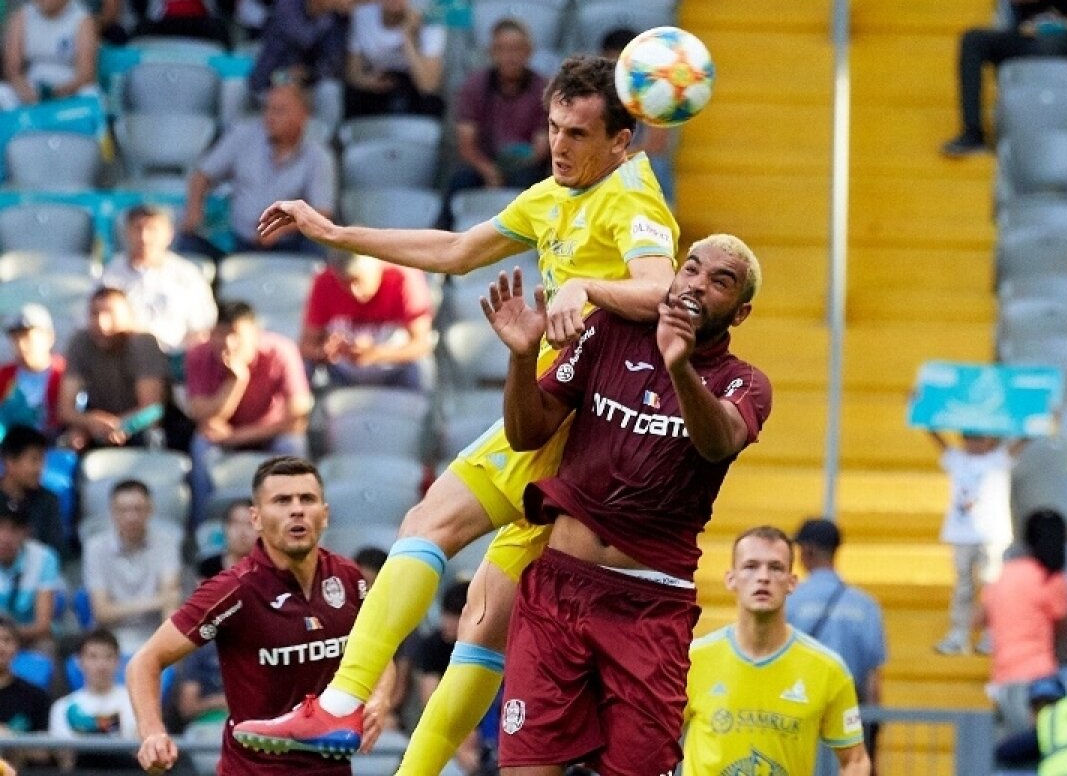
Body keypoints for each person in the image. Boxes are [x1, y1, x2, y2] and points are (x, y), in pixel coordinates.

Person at [234, 53, 680, 772]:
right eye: (555, 128)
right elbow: (457, 249)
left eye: (579, 134)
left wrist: (589, 288)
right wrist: (339, 234)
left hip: (573, 417)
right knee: (485, 621)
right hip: (591, 444)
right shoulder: (554, 196)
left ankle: (342, 703)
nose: (559, 146)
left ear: (622, 141)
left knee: (425, 526)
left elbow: (662, 286)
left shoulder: (632, 197)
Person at [239, 236, 768, 773]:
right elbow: (527, 431)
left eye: (719, 281)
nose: (697, 285)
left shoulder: (746, 382)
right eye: (692, 270)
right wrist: (521, 357)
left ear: (740, 311)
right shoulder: (608, 333)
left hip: (649, 607)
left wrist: (679, 366)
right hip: (559, 589)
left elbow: (718, 440)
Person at [127, 456, 394, 774]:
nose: (296, 510)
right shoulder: (234, 589)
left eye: (307, 499)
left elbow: (379, 653)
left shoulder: (349, 578)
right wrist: (152, 732)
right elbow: (145, 662)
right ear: (255, 518)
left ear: (324, 515)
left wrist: (379, 699)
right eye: (281, 501)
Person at [685, 526, 870, 775]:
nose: (763, 577)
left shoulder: (828, 669)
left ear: (792, 582)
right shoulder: (691, 661)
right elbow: (652, 745)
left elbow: (855, 760)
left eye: (775, 567)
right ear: (731, 579)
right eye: (751, 566)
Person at [940, 0, 1067, 156]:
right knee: (973, 40)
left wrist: (1059, 26)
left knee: (1049, 47)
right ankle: (972, 133)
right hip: (1026, 33)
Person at [185, 301, 313, 520]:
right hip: (222, 433)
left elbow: (297, 417)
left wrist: (236, 437)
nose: (227, 343)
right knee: (200, 446)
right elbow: (204, 417)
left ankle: (295, 519)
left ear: (254, 333)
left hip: (269, 431)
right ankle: (204, 526)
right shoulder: (199, 354)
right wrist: (236, 381)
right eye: (220, 334)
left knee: (293, 445)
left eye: (235, 334)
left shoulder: (281, 351)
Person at [184, 82, 337, 258]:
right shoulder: (242, 137)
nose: (270, 117)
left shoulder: (318, 157)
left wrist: (281, 230)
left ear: (302, 116)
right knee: (189, 242)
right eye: (267, 109)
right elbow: (201, 175)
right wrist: (194, 209)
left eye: (279, 111)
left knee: (319, 248)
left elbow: (322, 211)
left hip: (289, 244)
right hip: (239, 239)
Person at [786, 517, 886, 766]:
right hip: (850, 715)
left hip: (798, 709)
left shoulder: (790, 601)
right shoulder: (866, 605)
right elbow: (873, 679)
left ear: (806, 551)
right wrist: (872, 731)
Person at [926, 431, 1023, 654]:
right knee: (963, 588)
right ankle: (959, 635)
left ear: (991, 438)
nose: (972, 442)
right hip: (962, 535)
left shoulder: (998, 459)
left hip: (991, 535)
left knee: (992, 587)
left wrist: (1040, 417)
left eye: (978, 437)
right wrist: (924, 415)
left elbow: (1022, 441)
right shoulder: (958, 459)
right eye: (968, 437)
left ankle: (993, 635)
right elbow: (938, 441)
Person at [443, 18, 550, 218]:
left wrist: (510, 167)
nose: (509, 57)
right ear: (492, 52)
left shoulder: (543, 89)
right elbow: (466, 143)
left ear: (528, 52)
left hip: (524, 164)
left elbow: (541, 148)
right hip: (482, 162)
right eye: (502, 49)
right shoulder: (474, 86)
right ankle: (443, 237)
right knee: (460, 180)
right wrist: (489, 170)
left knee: (531, 183)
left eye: (516, 49)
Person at [981, 508, 1067, 736]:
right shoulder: (1053, 578)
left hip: (1002, 675)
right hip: (1039, 676)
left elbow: (980, 616)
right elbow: (1062, 624)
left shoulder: (1005, 573)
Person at [300, 251, 435, 391]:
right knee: (302, 366)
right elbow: (305, 346)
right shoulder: (324, 281)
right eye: (345, 283)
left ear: (376, 269)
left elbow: (423, 344)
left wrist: (376, 354)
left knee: (422, 367)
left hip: (395, 370)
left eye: (358, 281)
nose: (354, 291)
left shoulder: (403, 277)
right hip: (343, 374)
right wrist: (325, 352)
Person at [58, 287, 169, 450]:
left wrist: (120, 426)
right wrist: (89, 422)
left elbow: (152, 410)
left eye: (110, 313)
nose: (102, 324)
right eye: (95, 314)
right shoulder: (80, 343)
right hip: (95, 425)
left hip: (138, 427)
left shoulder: (143, 344)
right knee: (67, 441)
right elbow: (65, 409)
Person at [101, 204, 218, 358]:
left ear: (169, 234)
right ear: (126, 233)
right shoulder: (110, 274)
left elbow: (203, 328)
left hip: (175, 358)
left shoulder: (188, 275)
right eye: (138, 229)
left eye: (152, 229)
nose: (144, 237)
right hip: (123, 356)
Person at [84, 479, 182, 655]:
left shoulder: (167, 542)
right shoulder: (95, 548)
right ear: (112, 512)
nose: (131, 517)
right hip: (109, 639)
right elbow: (101, 611)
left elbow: (171, 600)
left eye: (138, 509)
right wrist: (156, 601)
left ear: (150, 510)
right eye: (123, 510)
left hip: (154, 635)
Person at [344, 0, 445, 118]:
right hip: (375, 85)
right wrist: (368, 82)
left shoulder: (430, 21)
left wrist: (408, 38)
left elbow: (428, 86)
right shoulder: (362, 16)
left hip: (414, 86)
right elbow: (352, 72)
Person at [410, 581, 480, 773]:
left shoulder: (489, 648)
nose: (446, 623)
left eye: (453, 616)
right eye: (444, 614)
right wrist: (457, 746)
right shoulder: (434, 645)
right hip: (445, 730)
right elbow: (431, 701)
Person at [600, 28, 675, 205]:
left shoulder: (656, 94)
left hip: (626, 163)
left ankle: (657, 211)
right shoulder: (594, 95)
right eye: (615, 64)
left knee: (655, 164)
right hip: (603, 163)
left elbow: (655, 145)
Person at [0, 0, 99, 110]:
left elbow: (86, 73)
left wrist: (55, 94)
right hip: (31, 87)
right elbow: (12, 68)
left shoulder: (83, 20)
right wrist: (24, 89)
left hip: (69, 88)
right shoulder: (21, 16)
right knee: (3, 93)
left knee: (90, 93)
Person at [248, 0, 354, 97]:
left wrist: (309, 73)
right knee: (288, 84)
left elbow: (334, 61)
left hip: (306, 83)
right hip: (271, 78)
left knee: (330, 88)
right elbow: (304, 38)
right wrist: (331, 14)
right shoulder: (288, 0)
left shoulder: (335, 19)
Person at [51, 627, 139, 771]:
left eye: (108, 657)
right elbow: (66, 761)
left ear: (118, 661)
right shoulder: (62, 707)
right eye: (93, 657)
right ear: (79, 661)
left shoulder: (137, 703)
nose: (101, 665)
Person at [0, 504, 59, 652]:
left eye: (14, 529)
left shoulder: (44, 558)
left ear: (27, 532)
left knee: (47, 647)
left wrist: (6, 639)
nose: (5, 537)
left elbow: (43, 624)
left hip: (30, 638)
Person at [0, 304, 65, 437]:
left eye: (27, 337)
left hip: (53, 446)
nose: (21, 344)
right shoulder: (5, 376)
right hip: (12, 449)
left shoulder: (64, 374)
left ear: (49, 337)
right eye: (15, 338)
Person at [0, 426, 64, 560]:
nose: (39, 469)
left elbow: (56, 549)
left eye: (42, 461)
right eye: (33, 460)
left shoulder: (48, 500)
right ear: (10, 462)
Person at [0, 613, 51, 770]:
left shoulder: (36, 696)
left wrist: (11, 739)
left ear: (17, 646)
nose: (1, 647)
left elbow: (45, 752)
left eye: (7, 640)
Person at [196, 498, 257, 580]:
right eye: (236, 523)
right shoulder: (208, 567)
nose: (242, 532)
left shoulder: (270, 570)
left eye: (250, 524)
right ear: (225, 527)